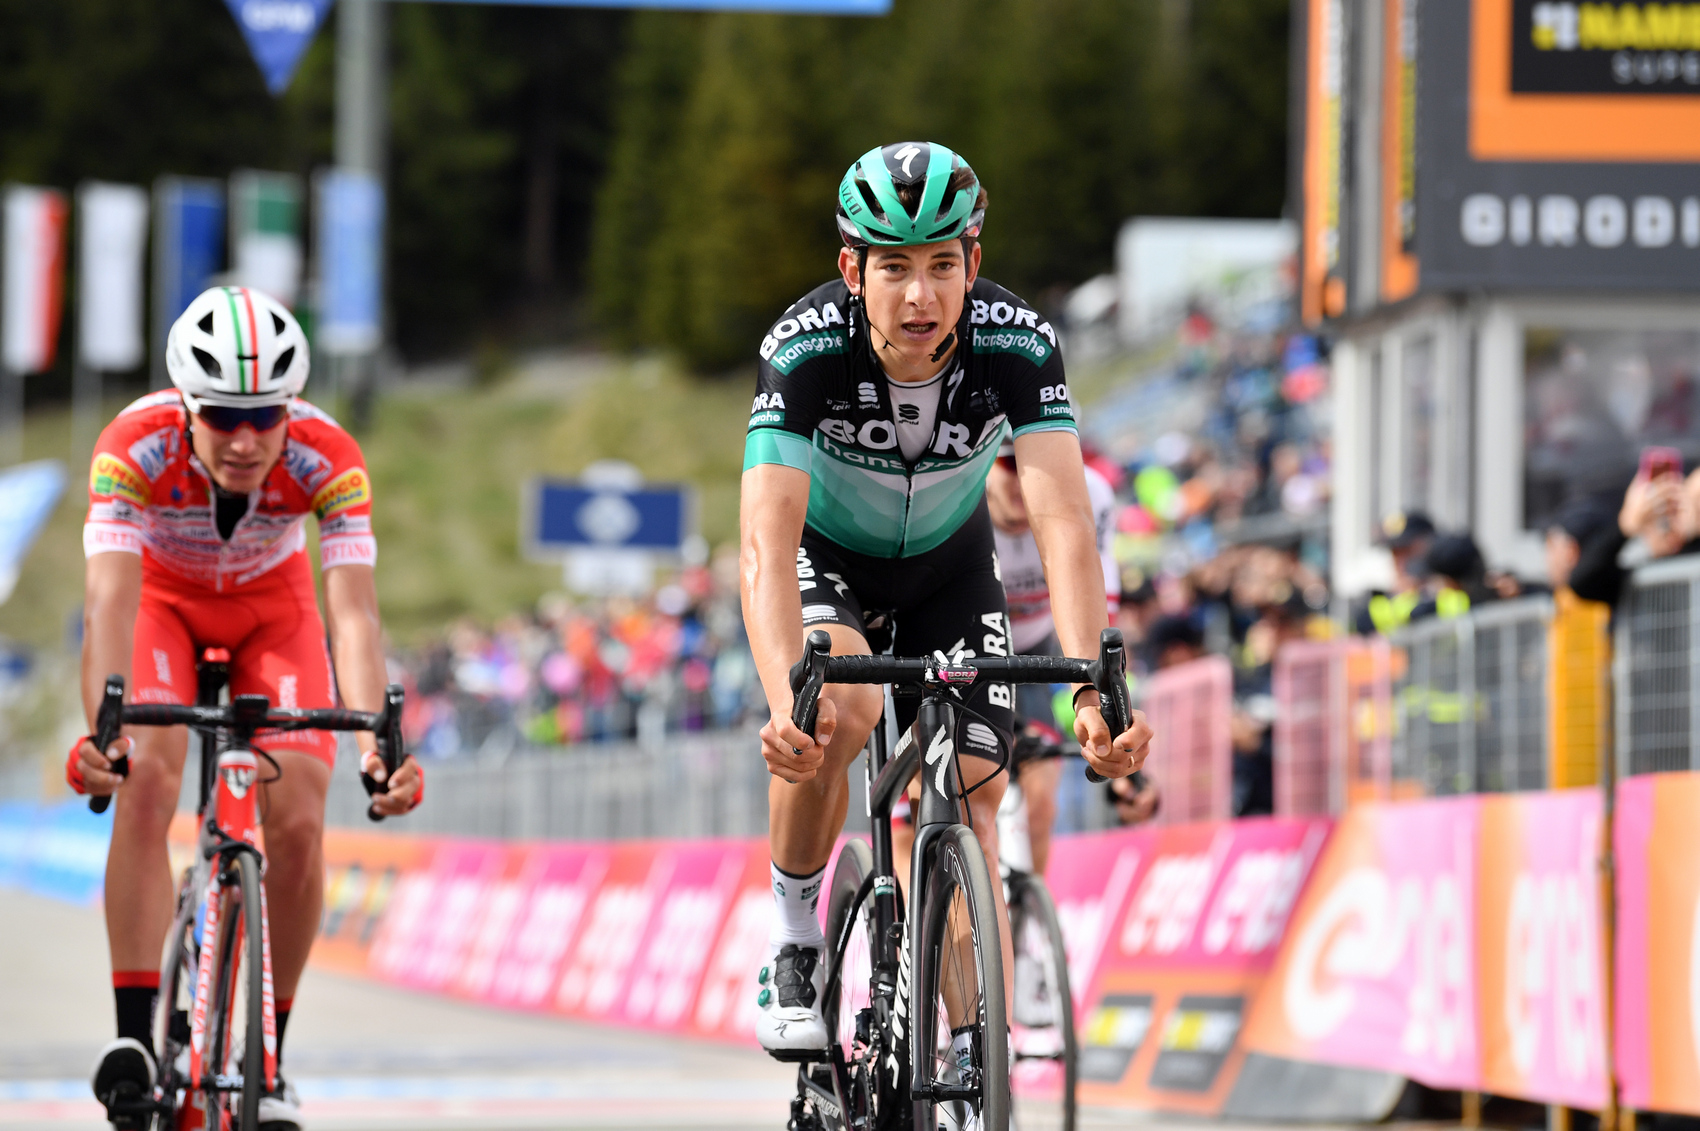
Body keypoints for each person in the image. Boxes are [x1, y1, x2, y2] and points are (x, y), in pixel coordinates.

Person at [738, 142, 1153, 1060]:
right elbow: (765, 542)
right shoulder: (804, 345)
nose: (920, 295)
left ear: (973, 260)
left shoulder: (1019, 341)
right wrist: (782, 696)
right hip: (827, 559)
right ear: (853, 270)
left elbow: (1064, 523)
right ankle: (796, 938)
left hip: (949, 568)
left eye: (941, 265)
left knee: (973, 786)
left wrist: (1093, 689)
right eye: (894, 267)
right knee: (833, 711)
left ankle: (971, 1048)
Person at [69, 286, 423, 1131]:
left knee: (298, 816)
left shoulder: (329, 456)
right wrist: (104, 736)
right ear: (186, 405)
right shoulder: (131, 446)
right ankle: (135, 1038)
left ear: (290, 408)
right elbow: (109, 604)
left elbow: (352, 614)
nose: (244, 438)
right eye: (224, 416)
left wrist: (378, 744)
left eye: (265, 416)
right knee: (147, 781)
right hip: (162, 605)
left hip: (273, 611)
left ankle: (272, 1057)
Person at [983, 441, 1120, 875]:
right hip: (968, 644)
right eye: (1010, 463)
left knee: (1041, 803)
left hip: (1033, 653)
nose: (1026, 476)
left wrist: (1117, 714)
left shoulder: (1090, 492)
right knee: (971, 793)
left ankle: (1028, 908)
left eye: (1037, 459)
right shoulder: (958, 493)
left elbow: (1105, 614)